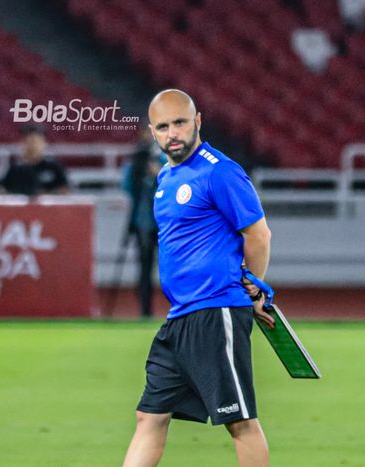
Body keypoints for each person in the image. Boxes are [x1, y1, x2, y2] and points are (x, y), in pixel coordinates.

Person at [123, 90, 274, 467]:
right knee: (150, 416)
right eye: (163, 126)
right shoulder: (166, 178)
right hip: (180, 317)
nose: (172, 132)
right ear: (153, 132)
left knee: (240, 422)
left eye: (180, 122)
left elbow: (258, 234)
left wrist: (253, 288)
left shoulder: (219, 171)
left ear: (198, 122)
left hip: (216, 310)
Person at [122, 129, 165, 317]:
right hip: (142, 223)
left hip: (163, 224)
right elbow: (128, 188)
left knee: (170, 267)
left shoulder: (164, 161)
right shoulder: (135, 164)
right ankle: (145, 310)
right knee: (144, 268)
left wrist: (158, 175)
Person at [2, 124, 69, 196]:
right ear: (23, 142)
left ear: (44, 143)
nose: (33, 145)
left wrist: (42, 196)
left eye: (36, 141)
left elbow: (64, 190)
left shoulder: (54, 166)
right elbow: (5, 190)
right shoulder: (16, 168)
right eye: (29, 141)